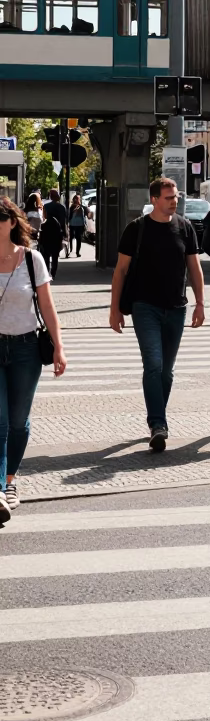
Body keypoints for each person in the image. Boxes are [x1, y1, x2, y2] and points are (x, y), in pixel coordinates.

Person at [109, 177, 205, 452]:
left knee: (166, 371)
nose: (174, 201)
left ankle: (156, 418)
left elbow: (194, 269)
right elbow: (120, 271)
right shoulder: (136, 229)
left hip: (176, 308)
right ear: (154, 200)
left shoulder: (185, 228)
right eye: (168, 197)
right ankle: (158, 423)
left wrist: (200, 303)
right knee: (153, 364)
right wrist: (115, 309)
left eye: (176, 197)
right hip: (144, 307)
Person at [0, 197, 67, 523]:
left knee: (17, 421)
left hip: (27, 347)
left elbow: (48, 306)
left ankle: (11, 478)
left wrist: (58, 346)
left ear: (12, 222)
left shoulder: (32, 259)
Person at [38, 188, 68, 280]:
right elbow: (63, 222)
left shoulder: (46, 206)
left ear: (50, 196)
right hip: (57, 232)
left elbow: (43, 218)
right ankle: (53, 273)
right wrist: (65, 234)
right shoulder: (62, 207)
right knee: (55, 254)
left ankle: (46, 271)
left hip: (46, 231)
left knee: (46, 253)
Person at [67, 194, 87, 258]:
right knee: (77, 238)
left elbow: (69, 217)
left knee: (73, 238)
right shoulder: (77, 207)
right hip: (78, 224)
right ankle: (76, 252)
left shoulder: (75, 207)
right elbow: (83, 217)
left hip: (74, 224)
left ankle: (73, 251)